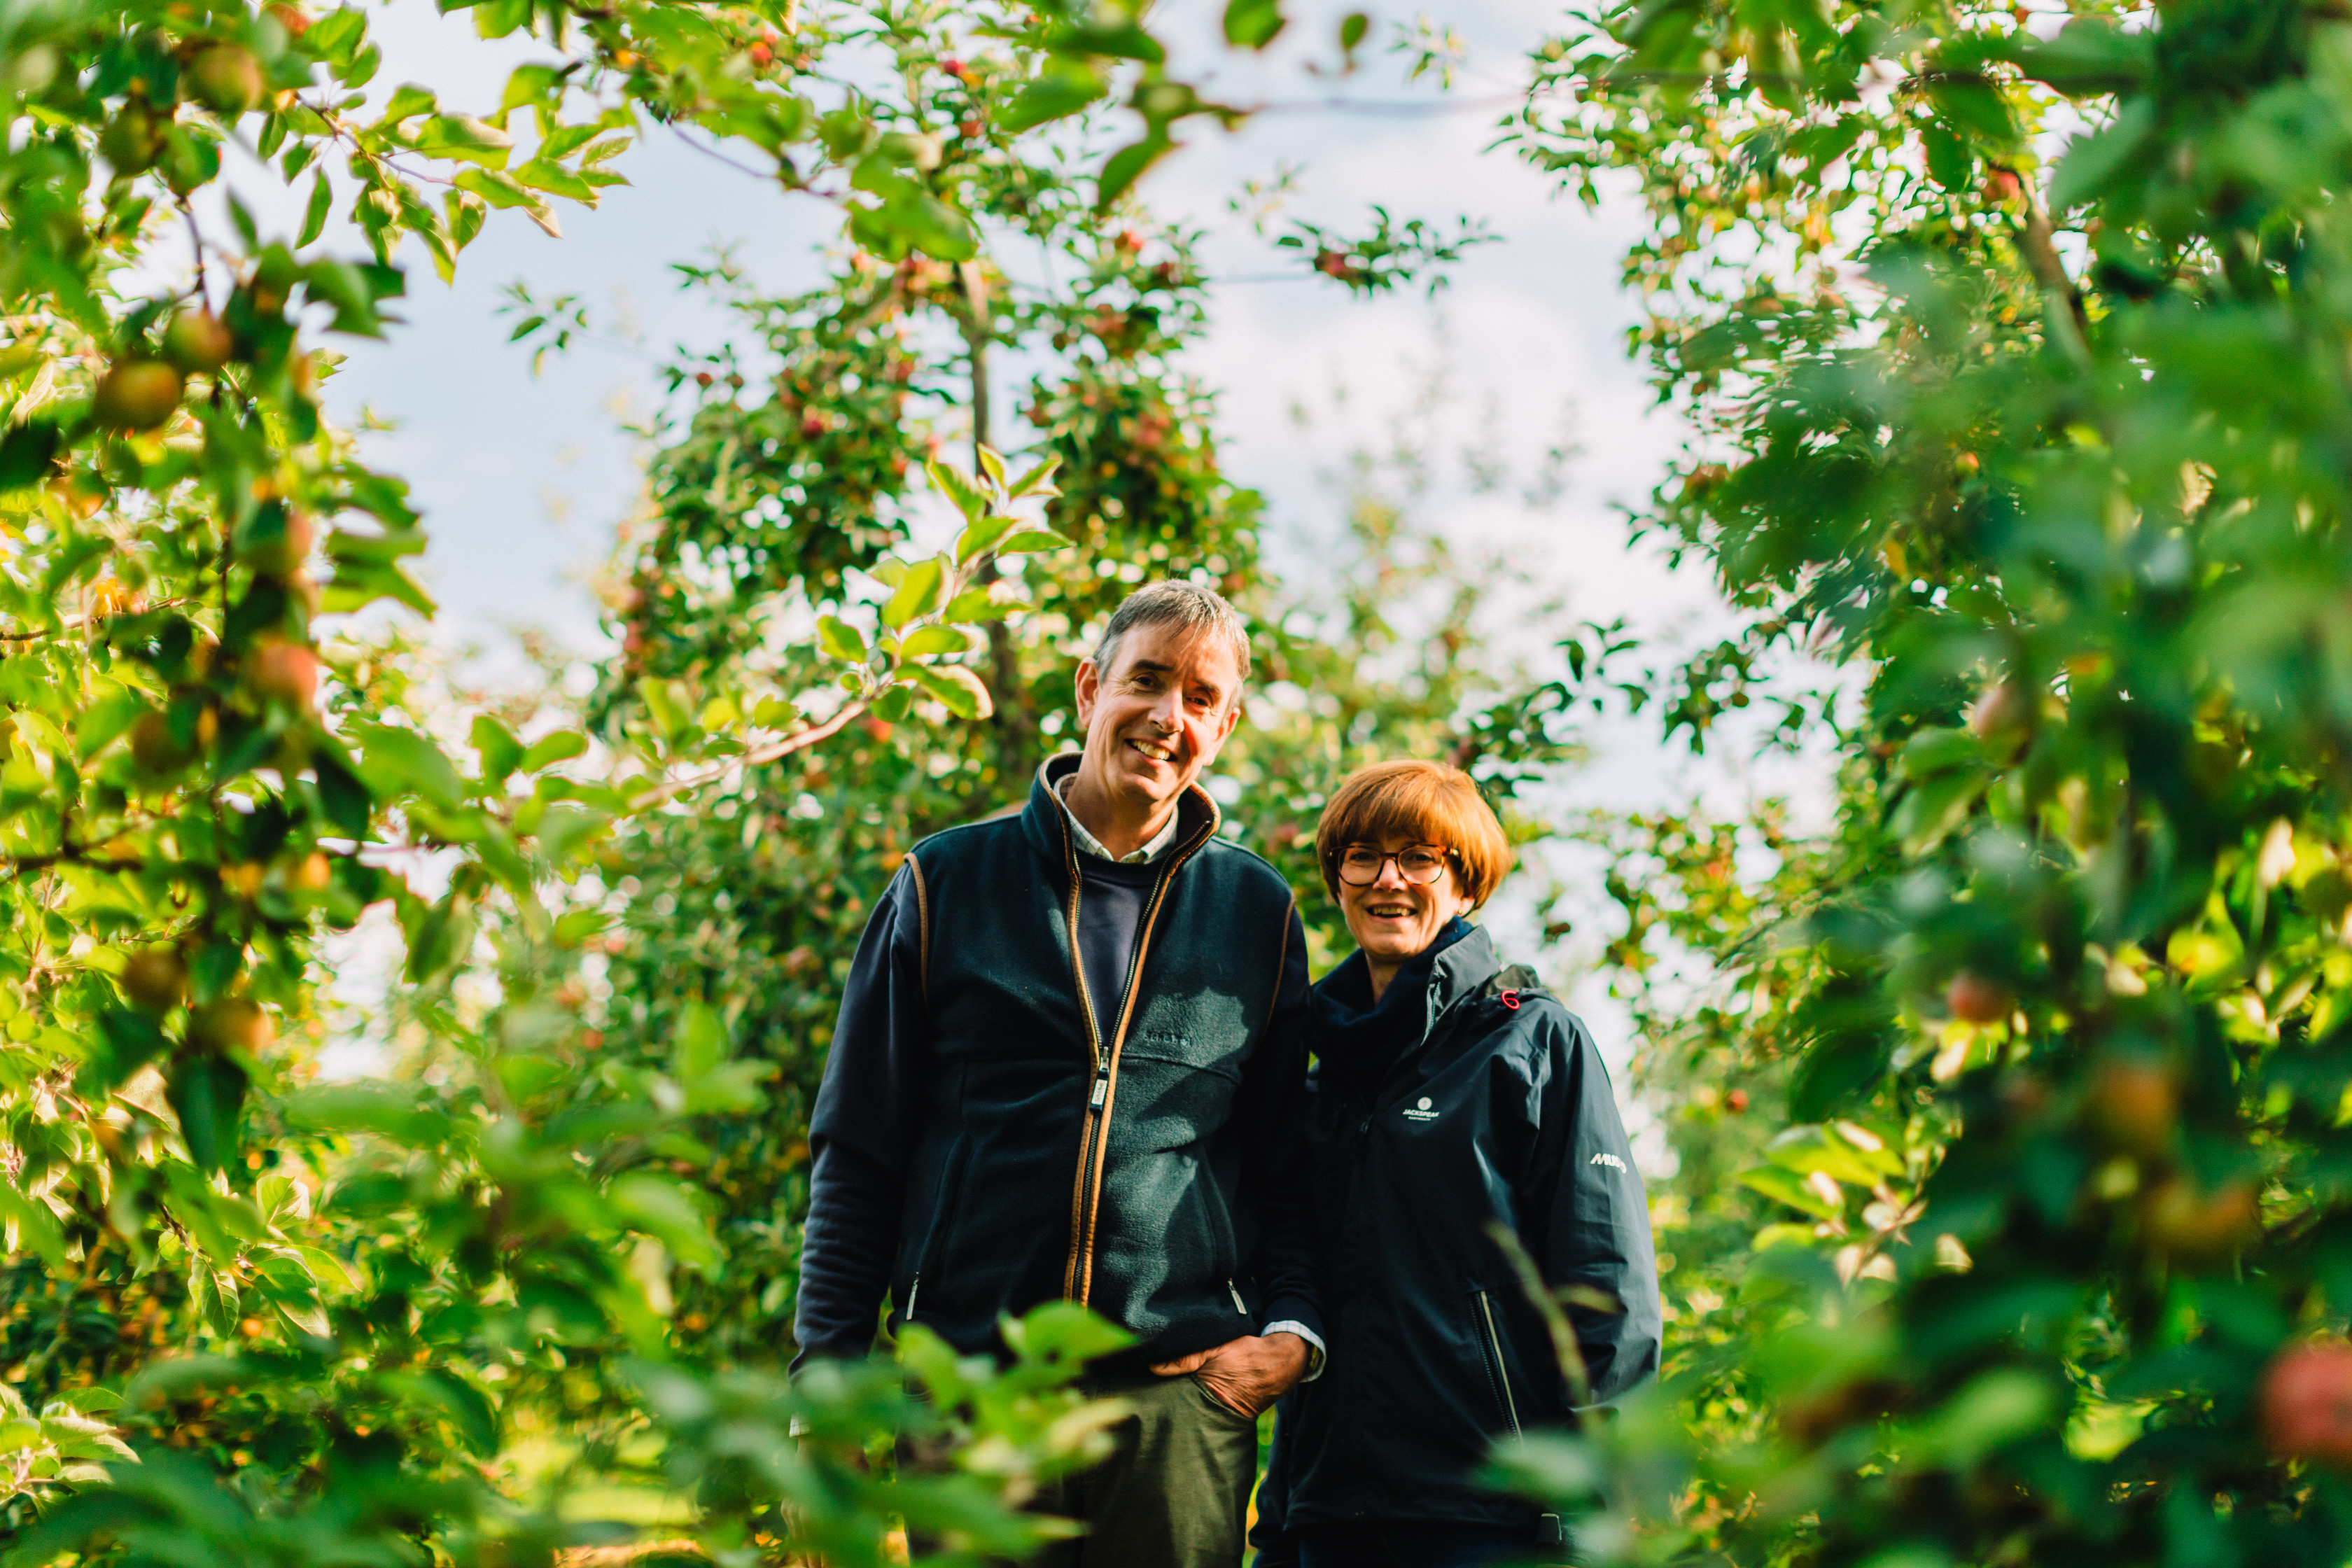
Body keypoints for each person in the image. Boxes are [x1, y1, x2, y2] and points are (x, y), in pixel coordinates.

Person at [793, 581, 1324, 1568]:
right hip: (969, 1394)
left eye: (1201, 697)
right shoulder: (943, 883)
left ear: (1226, 724)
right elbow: (858, 1152)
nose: (1169, 717)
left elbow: (1285, 1161)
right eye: (1147, 681)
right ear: (1090, 690)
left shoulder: (1259, 910)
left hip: (1176, 1402)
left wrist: (1291, 1329)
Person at [1252, 760, 1662, 1568]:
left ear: (1465, 882)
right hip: (1331, 1507)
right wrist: (1282, 1509)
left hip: (1495, 1508)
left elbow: (1604, 1274)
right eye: (1363, 856)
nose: (1388, 879)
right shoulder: (1316, 1068)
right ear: (1337, 879)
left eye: (1419, 857)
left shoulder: (1533, 1041)